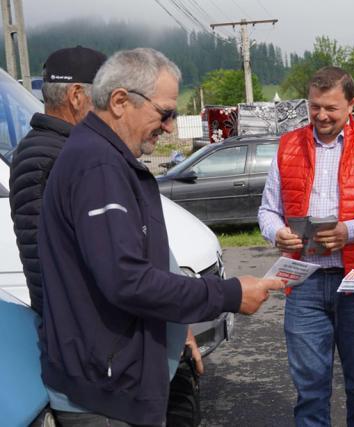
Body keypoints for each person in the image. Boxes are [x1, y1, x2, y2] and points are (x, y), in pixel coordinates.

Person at [37, 48, 283, 426]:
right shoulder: (98, 164)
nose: (170, 127)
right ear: (120, 101)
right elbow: (127, 279)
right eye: (165, 112)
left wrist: (175, 321)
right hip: (106, 398)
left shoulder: (103, 157)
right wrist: (229, 294)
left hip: (113, 384)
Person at [258, 66, 354, 426]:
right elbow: (268, 209)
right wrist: (276, 232)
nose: (321, 116)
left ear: (351, 105)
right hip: (304, 281)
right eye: (314, 107)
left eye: (331, 108)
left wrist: (350, 231)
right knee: (310, 389)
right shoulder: (288, 144)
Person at [10, 45, 107, 317]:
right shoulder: (54, 156)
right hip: (78, 331)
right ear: (76, 96)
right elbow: (52, 264)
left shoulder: (60, 149)